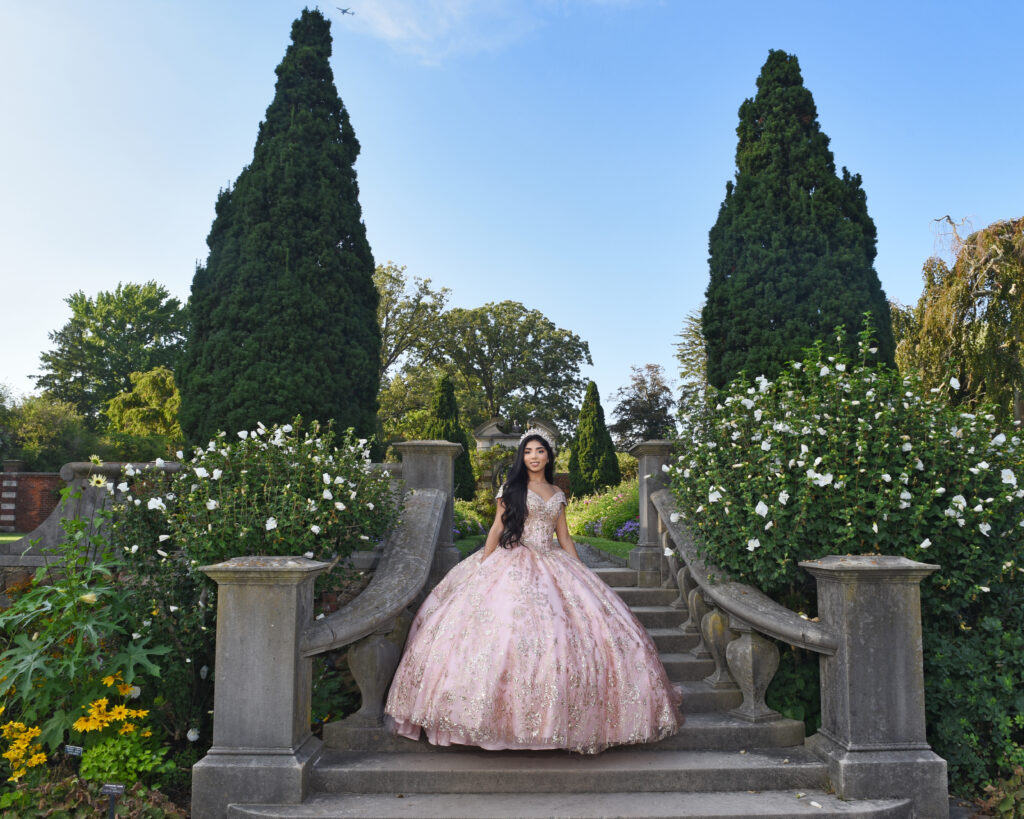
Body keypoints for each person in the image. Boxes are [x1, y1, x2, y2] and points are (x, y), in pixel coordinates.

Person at [384, 428, 682, 754]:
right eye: (529, 452)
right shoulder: (510, 488)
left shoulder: (556, 491)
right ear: (522, 456)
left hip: (551, 560)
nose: (534, 456)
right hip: (511, 559)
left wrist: (581, 571)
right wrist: (484, 564)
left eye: (540, 451)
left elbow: (564, 536)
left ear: (549, 456)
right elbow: (498, 528)